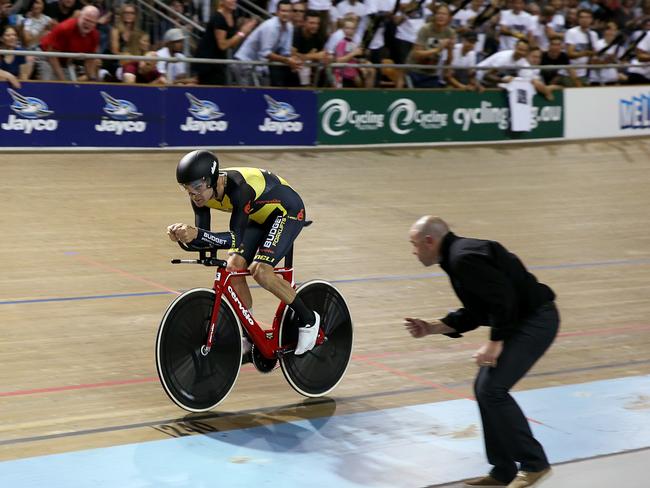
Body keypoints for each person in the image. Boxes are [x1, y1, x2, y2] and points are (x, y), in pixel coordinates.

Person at [404, 216, 558, 488]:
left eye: (414, 245)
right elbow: (477, 310)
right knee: (484, 387)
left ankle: (535, 464)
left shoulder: (462, 259)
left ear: (430, 241)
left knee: (492, 390)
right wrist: (431, 327)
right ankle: (502, 471)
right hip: (521, 320)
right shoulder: (456, 258)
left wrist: (495, 342)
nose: (413, 252)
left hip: (537, 320)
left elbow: (503, 299)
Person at [166, 151, 320, 356]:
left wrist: (198, 234)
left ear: (211, 179)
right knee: (233, 267)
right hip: (258, 215)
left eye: (197, 187)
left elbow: (234, 239)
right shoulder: (200, 197)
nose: (194, 194)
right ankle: (250, 335)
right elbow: (205, 241)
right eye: (187, 189)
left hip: (287, 212)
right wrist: (185, 238)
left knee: (261, 270)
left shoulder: (239, 189)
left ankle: (310, 320)